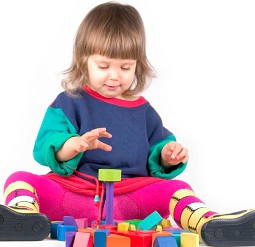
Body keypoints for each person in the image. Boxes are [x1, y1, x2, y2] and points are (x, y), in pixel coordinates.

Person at [1, 2, 255, 246]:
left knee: (177, 188)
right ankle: (23, 217)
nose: (114, 76)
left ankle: (209, 225)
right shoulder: (70, 102)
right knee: (21, 178)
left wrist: (169, 156)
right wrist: (74, 145)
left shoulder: (144, 111)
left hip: (129, 201)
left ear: (137, 65)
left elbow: (159, 153)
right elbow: (46, 147)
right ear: (84, 60)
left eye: (125, 67)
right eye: (103, 66)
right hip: (74, 194)